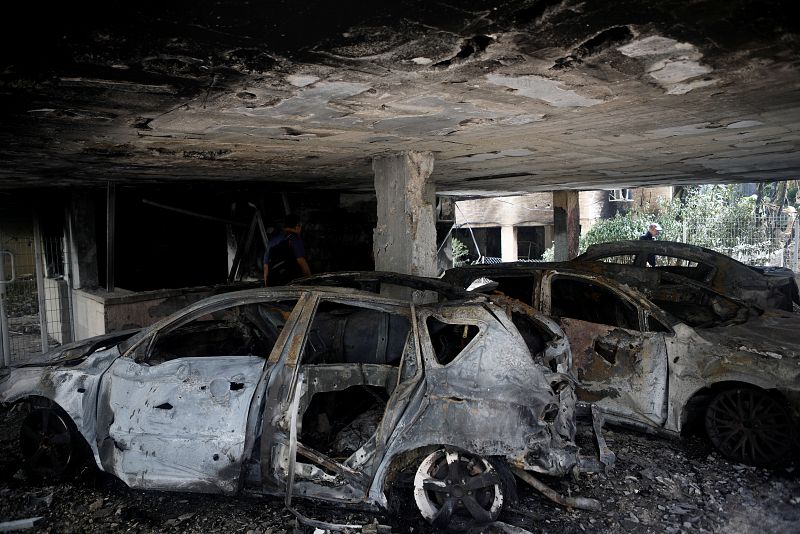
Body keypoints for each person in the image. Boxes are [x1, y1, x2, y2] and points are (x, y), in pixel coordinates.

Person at [263, 214, 311, 286]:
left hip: (274, 283)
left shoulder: (272, 242)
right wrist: (310, 280)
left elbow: (266, 266)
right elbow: (301, 261)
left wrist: (267, 286)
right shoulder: (294, 239)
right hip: (290, 283)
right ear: (297, 226)